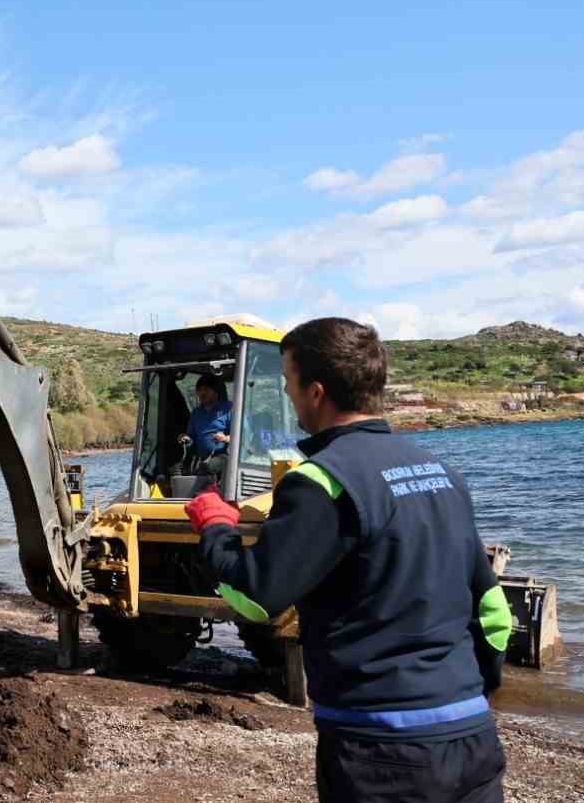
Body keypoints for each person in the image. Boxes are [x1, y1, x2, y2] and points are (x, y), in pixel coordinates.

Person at [185, 318, 510, 803]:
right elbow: (493, 613)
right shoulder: (442, 473)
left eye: (289, 382)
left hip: (381, 751)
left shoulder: (320, 481)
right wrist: (464, 694)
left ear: (316, 393)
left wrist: (215, 526)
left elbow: (253, 598)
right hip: (471, 736)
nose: (290, 397)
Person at [179, 372, 232, 494]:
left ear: (216, 391)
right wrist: (185, 438)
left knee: (207, 468)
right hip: (201, 458)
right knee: (182, 469)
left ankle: (211, 496)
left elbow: (242, 437)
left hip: (225, 456)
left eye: (206, 390)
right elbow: (191, 437)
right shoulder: (196, 413)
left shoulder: (229, 409)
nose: (202, 393)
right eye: (199, 390)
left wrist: (225, 438)